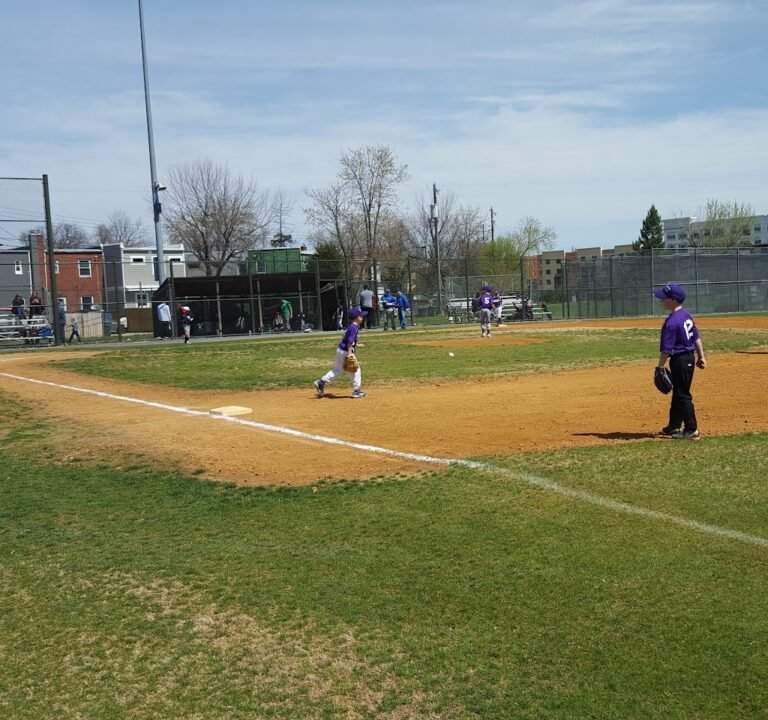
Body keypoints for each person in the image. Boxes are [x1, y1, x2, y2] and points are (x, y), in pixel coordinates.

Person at [654, 283, 706, 440]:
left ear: (673, 300)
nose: (661, 300)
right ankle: (674, 425)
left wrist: (660, 367)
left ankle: (691, 428)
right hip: (688, 358)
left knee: (683, 394)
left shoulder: (671, 323)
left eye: (664, 298)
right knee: (678, 392)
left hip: (680, 360)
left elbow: (666, 349)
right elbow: (696, 337)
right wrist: (701, 356)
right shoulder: (685, 315)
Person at [313, 306, 367, 399]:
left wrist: (357, 344)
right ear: (356, 317)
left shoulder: (351, 326)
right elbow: (349, 342)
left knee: (338, 370)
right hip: (346, 351)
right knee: (356, 370)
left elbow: (350, 340)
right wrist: (350, 354)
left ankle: (321, 381)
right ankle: (357, 391)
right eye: (361, 316)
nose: (362, 317)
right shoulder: (354, 328)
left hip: (340, 350)